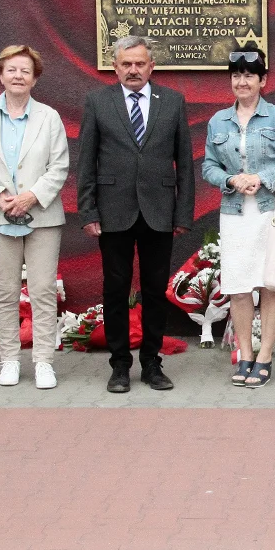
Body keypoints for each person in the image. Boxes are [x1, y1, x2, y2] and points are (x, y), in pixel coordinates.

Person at [77, 36, 194, 393]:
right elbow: (86, 161)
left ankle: (152, 363)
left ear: (150, 67)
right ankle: (120, 366)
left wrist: (183, 213)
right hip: (113, 212)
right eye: (126, 64)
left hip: (159, 211)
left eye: (139, 64)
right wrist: (88, 210)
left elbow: (185, 162)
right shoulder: (98, 101)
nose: (133, 70)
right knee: (115, 290)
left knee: (155, 291)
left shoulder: (172, 101)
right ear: (116, 67)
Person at [202, 46, 275, 387]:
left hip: (271, 213)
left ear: (262, 80)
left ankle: (265, 357)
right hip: (234, 215)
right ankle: (245, 354)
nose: (241, 82)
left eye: (249, 75)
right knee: (238, 286)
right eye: (236, 76)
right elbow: (208, 166)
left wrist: (263, 177)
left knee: (271, 283)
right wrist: (231, 179)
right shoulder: (218, 121)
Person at [0, 45, 69, 390]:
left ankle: (43, 362)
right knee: (6, 291)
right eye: (11, 70)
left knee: (41, 290)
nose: (18, 76)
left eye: (25, 71)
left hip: (41, 216)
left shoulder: (49, 117)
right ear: (0, 74)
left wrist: (30, 197)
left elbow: (59, 166)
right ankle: (9, 359)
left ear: (35, 78)